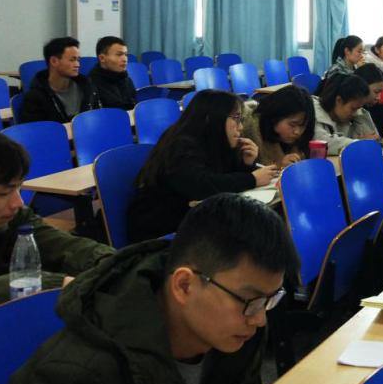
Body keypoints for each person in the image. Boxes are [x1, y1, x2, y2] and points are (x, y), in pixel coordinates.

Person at [0, 193, 300, 384]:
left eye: (270, 300)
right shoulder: (72, 380)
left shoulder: (238, 333)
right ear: (184, 286)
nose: (260, 319)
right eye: (250, 301)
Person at [0, 129, 112, 317]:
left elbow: (61, 244)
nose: (18, 202)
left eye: (18, 188)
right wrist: (43, 284)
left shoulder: (13, 216)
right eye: (2, 194)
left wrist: (114, 262)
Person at [126, 90, 280, 244]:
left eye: (241, 120)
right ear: (211, 118)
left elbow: (223, 177)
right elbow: (202, 186)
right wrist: (252, 179)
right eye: (236, 119)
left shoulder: (213, 140)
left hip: (196, 221)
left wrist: (246, 164)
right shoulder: (180, 144)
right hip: (162, 232)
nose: (240, 127)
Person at [19, 36, 101, 123]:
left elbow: (97, 117)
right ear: (54, 61)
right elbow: (35, 129)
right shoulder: (35, 97)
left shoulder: (87, 86)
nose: (77, 64)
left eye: (78, 60)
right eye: (72, 60)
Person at [242, 85, 315, 168]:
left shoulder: (299, 142)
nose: (297, 132)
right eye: (292, 124)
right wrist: (278, 167)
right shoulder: (250, 131)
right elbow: (249, 172)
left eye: (303, 126)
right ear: (275, 116)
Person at [313, 74, 379, 156]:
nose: (355, 113)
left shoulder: (352, 115)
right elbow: (322, 142)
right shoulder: (312, 111)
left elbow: (374, 139)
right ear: (339, 100)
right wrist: (359, 143)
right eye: (353, 109)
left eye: (359, 108)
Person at [88, 35, 136, 111]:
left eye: (125, 54)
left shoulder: (126, 78)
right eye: (119, 55)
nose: (125, 59)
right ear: (102, 58)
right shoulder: (92, 84)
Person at [354, 64, 383, 134]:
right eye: (376, 92)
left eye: (381, 92)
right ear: (362, 87)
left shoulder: (378, 109)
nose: (379, 98)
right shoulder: (352, 110)